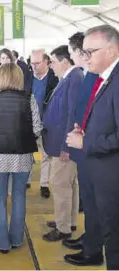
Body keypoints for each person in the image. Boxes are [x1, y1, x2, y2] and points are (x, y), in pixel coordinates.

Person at [66, 24, 119, 270]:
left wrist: (86, 141)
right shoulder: (104, 78)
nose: (85, 58)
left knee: (114, 236)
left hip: (110, 172)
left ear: (111, 50)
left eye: (90, 52)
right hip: (102, 167)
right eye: (83, 52)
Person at [0, 63, 42, 253]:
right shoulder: (29, 99)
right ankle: (17, 239)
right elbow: (37, 128)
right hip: (22, 156)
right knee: (19, 197)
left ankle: (1, 242)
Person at [62, 31, 103, 267]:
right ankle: (90, 239)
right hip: (84, 146)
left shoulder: (95, 76)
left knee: (93, 201)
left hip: (92, 149)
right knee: (89, 200)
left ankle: (93, 250)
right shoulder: (89, 75)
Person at [42, 45, 83, 242]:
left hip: (63, 144)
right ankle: (68, 220)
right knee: (70, 184)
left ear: (66, 61)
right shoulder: (68, 78)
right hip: (61, 141)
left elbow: (72, 114)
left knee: (60, 184)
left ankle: (63, 228)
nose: (51, 66)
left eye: (53, 62)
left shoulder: (74, 78)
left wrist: (66, 146)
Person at [26, 49, 59, 198]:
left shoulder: (55, 79)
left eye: (37, 63)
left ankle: (44, 184)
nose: (34, 66)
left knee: (46, 155)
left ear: (46, 62)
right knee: (27, 154)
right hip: (29, 123)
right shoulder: (27, 78)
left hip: (48, 124)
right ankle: (25, 180)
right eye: (32, 63)